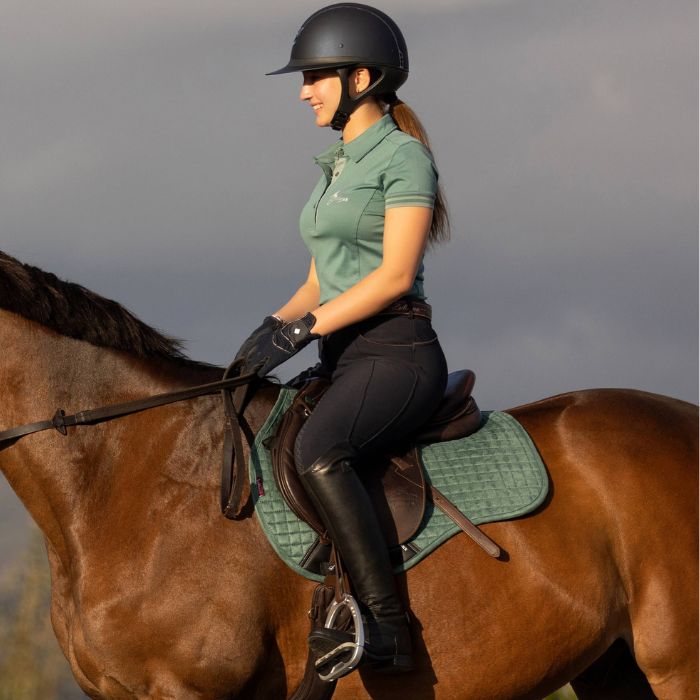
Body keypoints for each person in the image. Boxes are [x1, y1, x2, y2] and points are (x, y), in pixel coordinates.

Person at [235, 2, 450, 678]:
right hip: (344, 355)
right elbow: (317, 279)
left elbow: (390, 277)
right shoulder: (334, 165)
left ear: (360, 78)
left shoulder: (405, 158)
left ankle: (386, 627)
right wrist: (268, 333)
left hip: (397, 354)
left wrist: (308, 327)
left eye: (315, 77)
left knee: (319, 447)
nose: (304, 91)